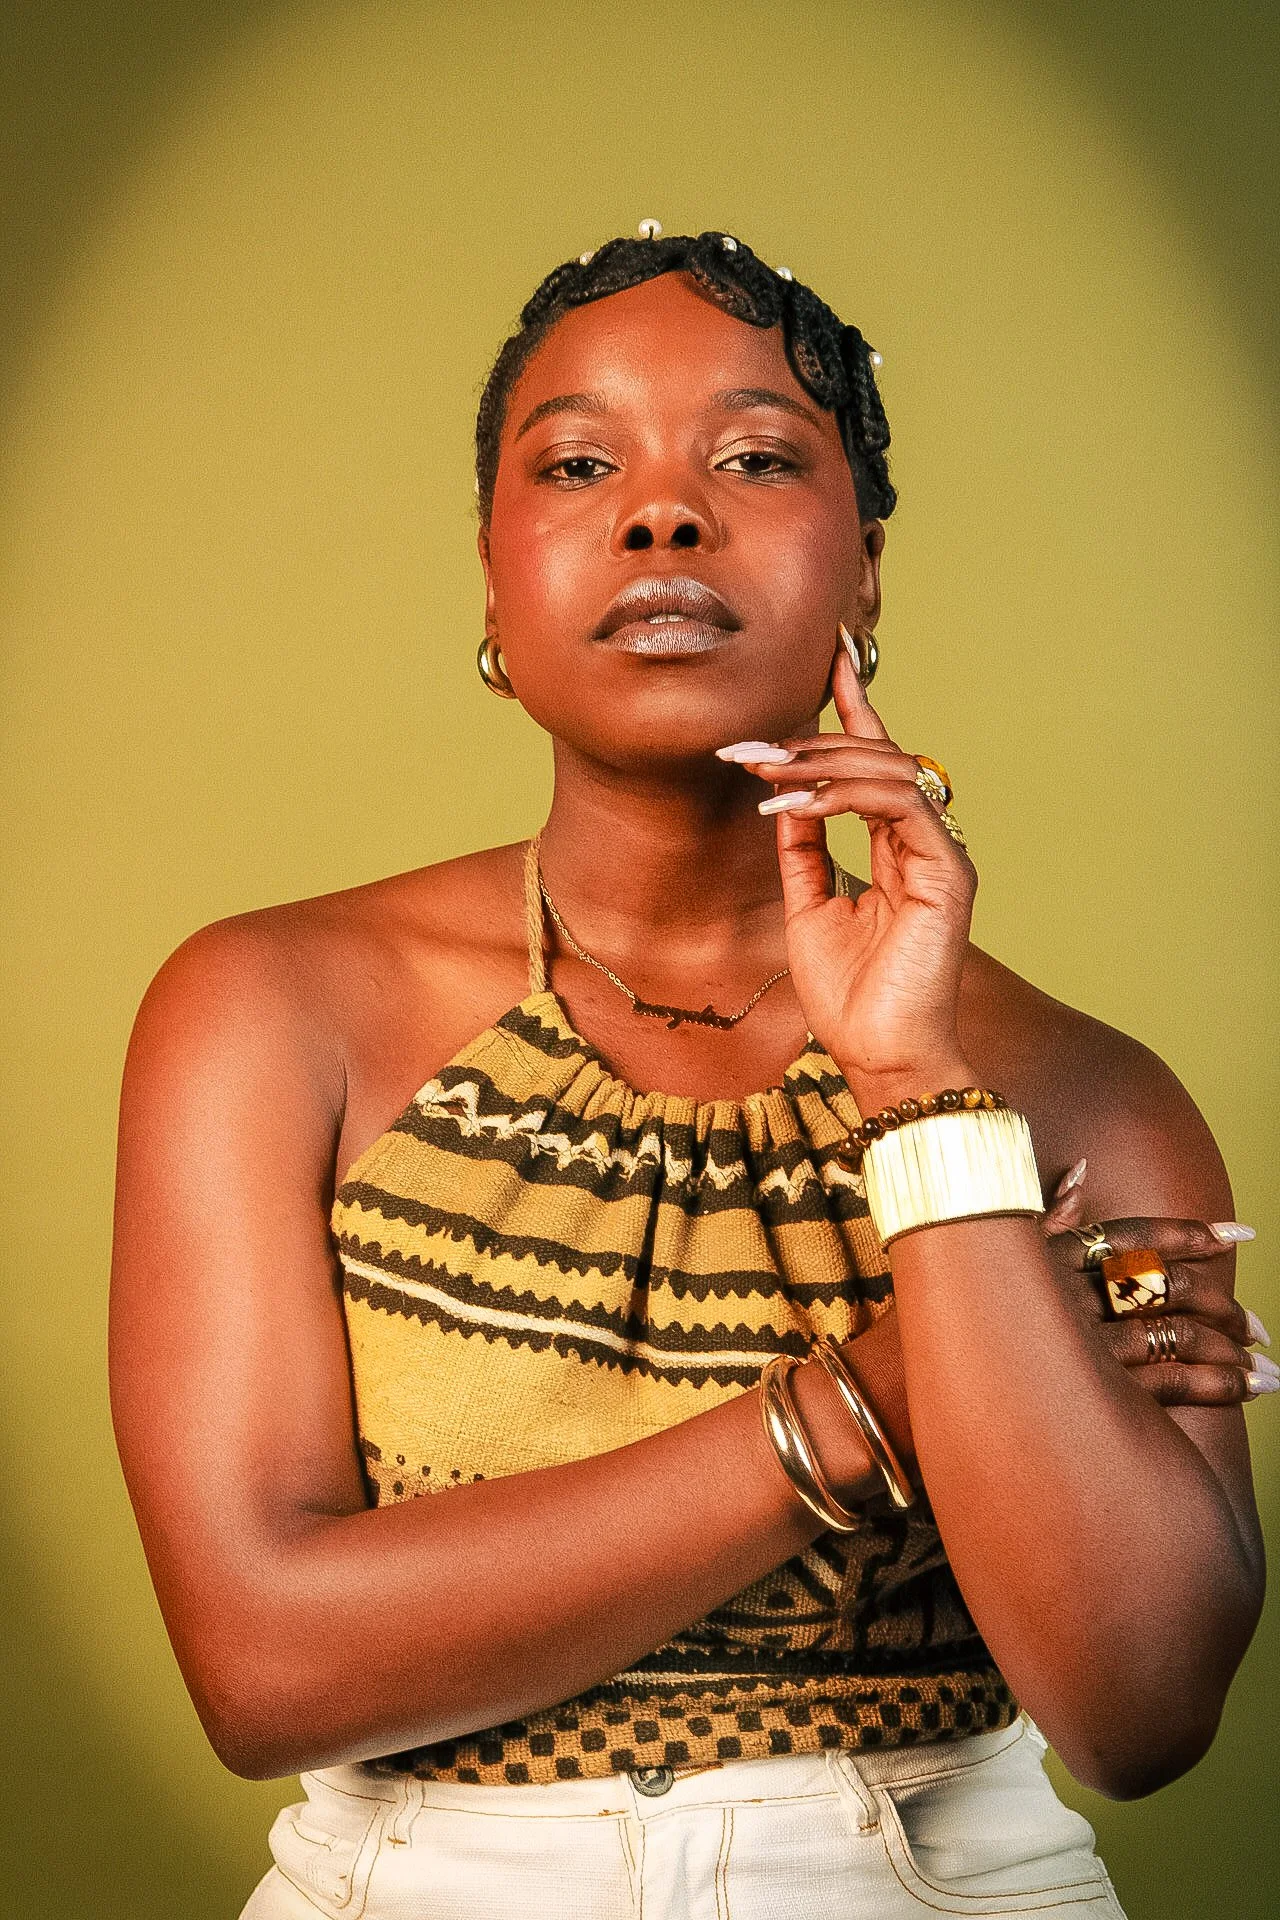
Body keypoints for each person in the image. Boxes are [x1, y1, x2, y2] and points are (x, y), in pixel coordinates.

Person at [109, 226, 1271, 1920]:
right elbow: (264, 1669)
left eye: (757, 460)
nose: (663, 513)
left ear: (866, 571)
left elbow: (1141, 1711)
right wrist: (890, 1391)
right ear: (494, 575)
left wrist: (916, 1084)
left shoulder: (1086, 1095)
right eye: (582, 464)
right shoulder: (267, 1011)